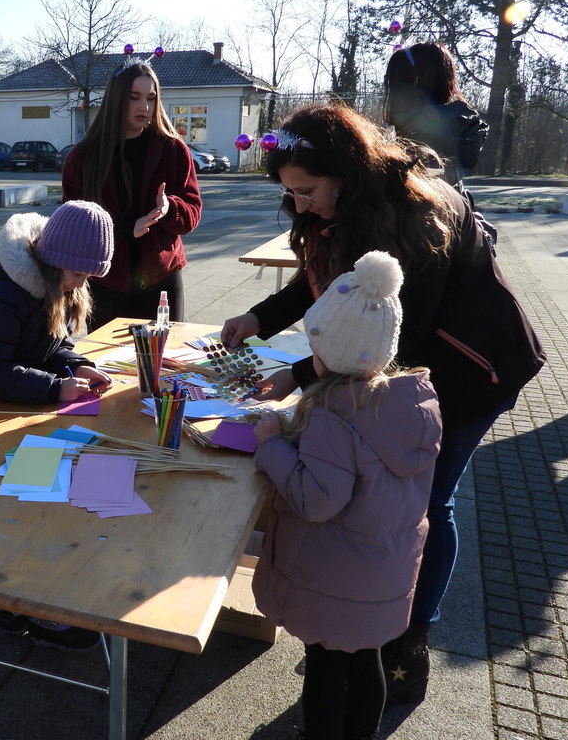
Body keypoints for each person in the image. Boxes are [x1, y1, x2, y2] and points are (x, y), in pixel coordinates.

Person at [221, 103, 544, 705]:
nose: (298, 205)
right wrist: (258, 317)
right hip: (412, 365)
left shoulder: (412, 218)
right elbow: (322, 282)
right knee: (385, 497)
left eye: (307, 190)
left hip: (472, 371)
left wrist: (298, 374)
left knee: (428, 498)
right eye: (288, 193)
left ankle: (409, 639)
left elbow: (387, 340)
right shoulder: (337, 211)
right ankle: (369, 622)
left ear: (345, 172)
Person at [252, 251, 441, 740]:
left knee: (327, 666)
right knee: (368, 660)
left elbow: (315, 498)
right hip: (384, 573)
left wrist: (272, 449)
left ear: (329, 351)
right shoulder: (409, 403)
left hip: (335, 577)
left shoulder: (334, 413)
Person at [0, 199, 114, 650]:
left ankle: (31, 592)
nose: (81, 284)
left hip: (16, 407)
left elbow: (53, 345)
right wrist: (56, 389)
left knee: (33, 499)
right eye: (78, 275)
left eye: (89, 277)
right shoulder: (4, 296)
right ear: (53, 261)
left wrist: (78, 365)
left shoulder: (54, 286)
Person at [61, 58, 202, 330]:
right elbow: (74, 225)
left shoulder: (173, 150)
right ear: (116, 100)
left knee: (162, 365)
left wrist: (169, 208)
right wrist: (126, 229)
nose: (144, 107)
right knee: (108, 367)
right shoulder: (84, 157)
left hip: (162, 280)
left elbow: (192, 214)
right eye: (134, 97)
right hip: (106, 282)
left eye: (151, 98)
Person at [384, 41, 489, 192]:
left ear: (416, 80)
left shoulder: (419, 136)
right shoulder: (461, 126)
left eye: (397, 79)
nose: (392, 89)